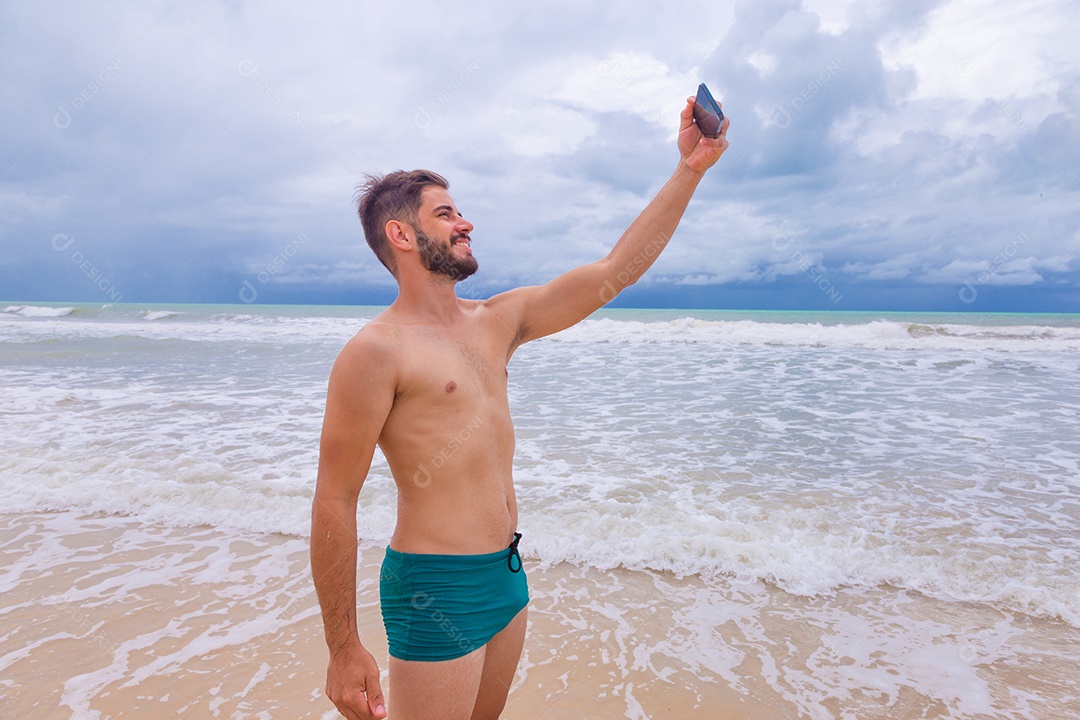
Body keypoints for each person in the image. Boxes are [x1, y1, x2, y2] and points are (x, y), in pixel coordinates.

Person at [310, 95, 729, 720]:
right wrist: (343, 646)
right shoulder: (375, 352)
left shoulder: (497, 322)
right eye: (446, 214)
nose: (465, 223)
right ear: (401, 234)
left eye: (461, 211)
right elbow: (335, 498)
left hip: (506, 574)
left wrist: (690, 169)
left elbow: (616, 272)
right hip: (437, 587)